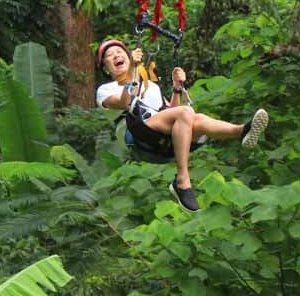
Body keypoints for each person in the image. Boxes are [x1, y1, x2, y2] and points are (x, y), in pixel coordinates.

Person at [95, 39, 269, 213]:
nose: (116, 55)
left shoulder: (151, 87)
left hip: (160, 135)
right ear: (106, 68)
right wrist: (133, 72)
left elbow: (172, 112)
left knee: (195, 118)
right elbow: (125, 103)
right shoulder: (106, 90)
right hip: (137, 133)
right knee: (186, 113)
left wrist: (177, 89)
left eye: (120, 52)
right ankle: (182, 180)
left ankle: (241, 132)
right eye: (110, 56)